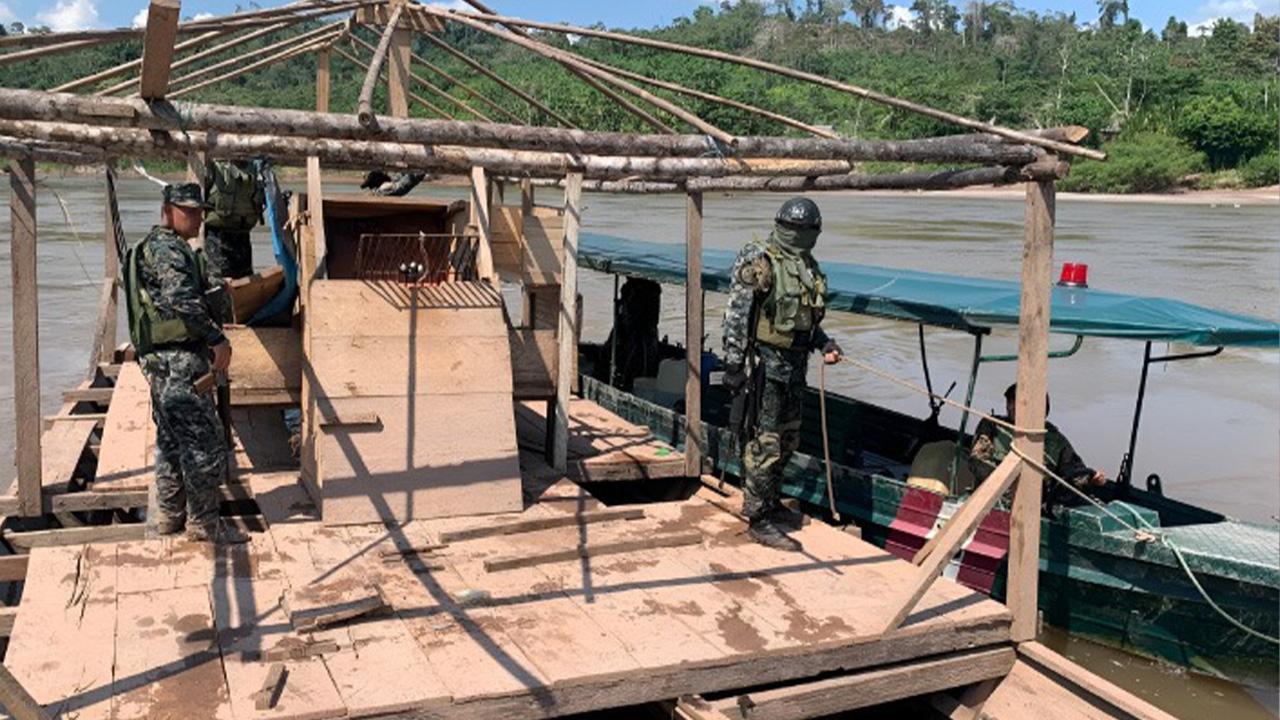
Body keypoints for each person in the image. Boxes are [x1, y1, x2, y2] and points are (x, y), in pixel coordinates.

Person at [722, 197, 843, 552]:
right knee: (765, 443)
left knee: (789, 438)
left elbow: (806, 321)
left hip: (795, 368)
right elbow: (737, 314)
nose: (801, 235)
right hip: (764, 368)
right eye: (796, 229)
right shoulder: (759, 259)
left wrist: (824, 343)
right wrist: (734, 365)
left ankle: (771, 502)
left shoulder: (807, 266)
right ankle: (758, 517)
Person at [124, 183, 242, 543]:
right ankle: (204, 526)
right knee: (203, 442)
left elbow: (175, 291)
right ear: (167, 210)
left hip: (159, 359)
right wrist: (216, 339)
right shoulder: (169, 249)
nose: (197, 218)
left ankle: (169, 517)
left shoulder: (155, 247)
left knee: (171, 440)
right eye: (188, 211)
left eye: (200, 211)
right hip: (179, 359)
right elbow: (181, 299)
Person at [969, 383, 1107, 513]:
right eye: (1010, 402)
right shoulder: (992, 426)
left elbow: (1073, 473)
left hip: (1035, 508)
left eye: (1017, 403)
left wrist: (1091, 480)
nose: (1011, 407)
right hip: (992, 503)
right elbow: (977, 461)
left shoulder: (1055, 439)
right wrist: (1012, 487)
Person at [203, 158, 264, 281]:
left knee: (245, 282)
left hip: (243, 237)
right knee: (219, 282)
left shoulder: (257, 170)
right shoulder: (215, 168)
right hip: (217, 238)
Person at [360, 170, 427, 197]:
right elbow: (403, 184)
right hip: (397, 187)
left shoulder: (379, 190)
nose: (384, 173)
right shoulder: (384, 189)